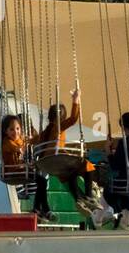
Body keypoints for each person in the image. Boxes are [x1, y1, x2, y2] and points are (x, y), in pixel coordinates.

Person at [28, 89, 91, 221]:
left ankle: (38, 208)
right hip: (56, 160)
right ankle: (86, 196)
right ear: (62, 118)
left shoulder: (46, 130)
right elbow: (74, 119)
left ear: (49, 117)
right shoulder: (59, 126)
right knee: (88, 166)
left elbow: (34, 141)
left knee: (64, 177)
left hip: (46, 163)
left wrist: (26, 140)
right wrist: (76, 100)